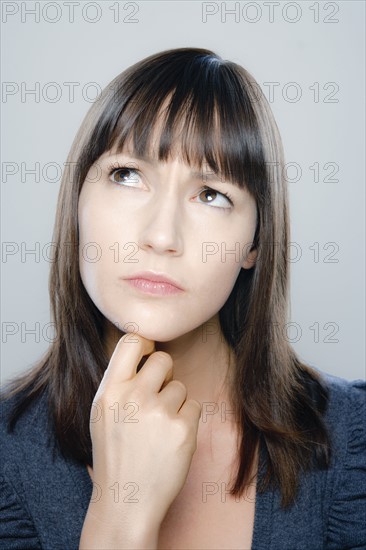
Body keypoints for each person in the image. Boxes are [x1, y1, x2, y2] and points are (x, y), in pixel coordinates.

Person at [0, 47, 365, 550]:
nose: (161, 235)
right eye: (127, 175)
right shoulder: (6, 457)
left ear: (254, 244)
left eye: (211, 194)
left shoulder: (351, 445)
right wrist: (122, 514)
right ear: (77, 201)